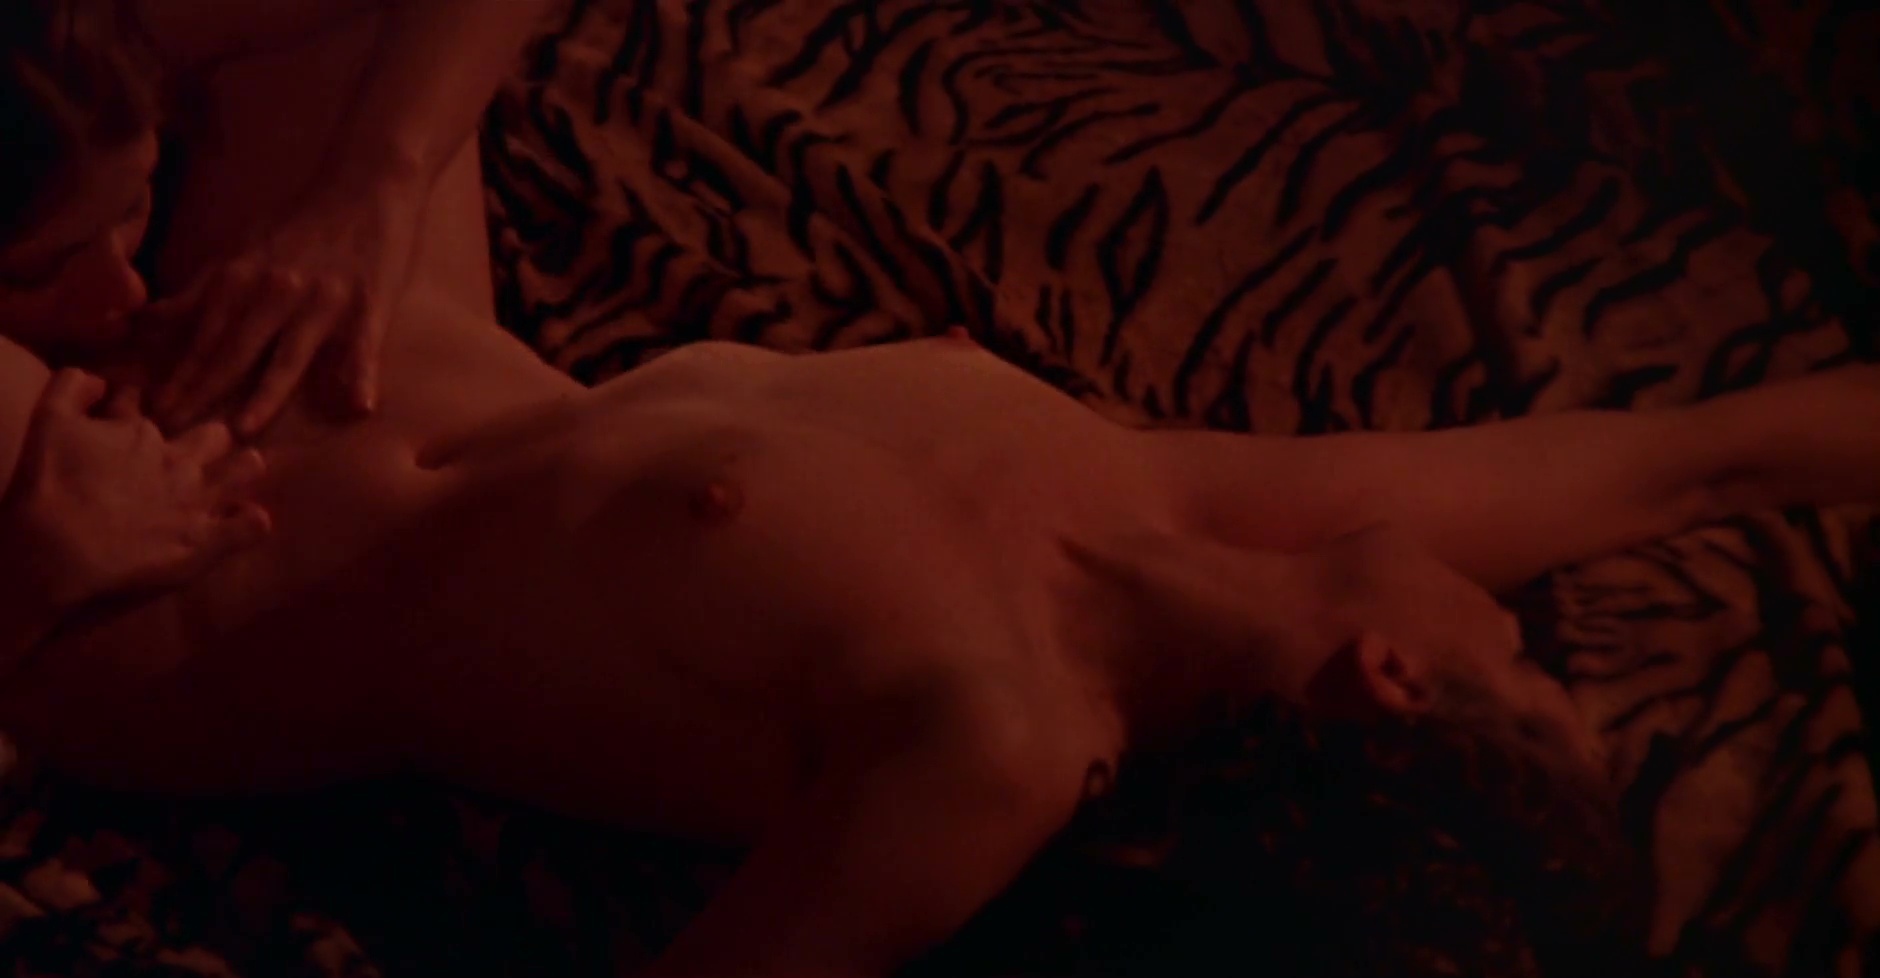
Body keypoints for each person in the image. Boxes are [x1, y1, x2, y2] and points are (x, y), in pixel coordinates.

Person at [2, 3, 1877, 975]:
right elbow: (1708, 456)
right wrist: (373, 188)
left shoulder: (991, 746)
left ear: (1391, 684)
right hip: (362, 329)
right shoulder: (1188, 505)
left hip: (167, 575)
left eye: (1530, 669)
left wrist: (36, 577)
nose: (1528, 623)